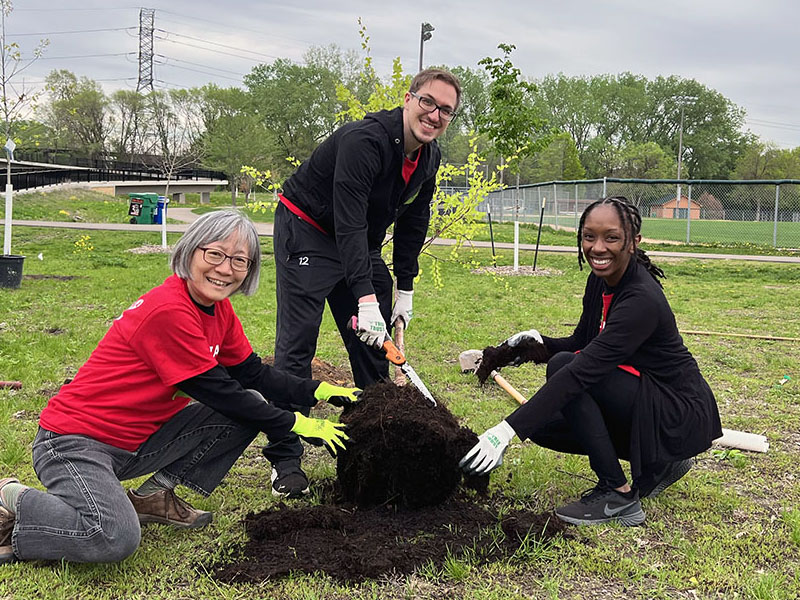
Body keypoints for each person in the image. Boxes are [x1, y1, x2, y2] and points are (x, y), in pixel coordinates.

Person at [0, 210, 358, 566]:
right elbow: (218, 391)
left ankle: (153, 495)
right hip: (74, 441)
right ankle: (12, 496)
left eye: (239, 260)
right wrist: (298, 424)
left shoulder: (218, 310)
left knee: (251, 403)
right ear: (190, 252)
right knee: (113, 537)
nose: (224, 268)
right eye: (215, 254)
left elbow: (252, 375)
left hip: (138, 440)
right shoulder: (168, 310)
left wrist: (320, 390)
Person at [460, 196, 722, 526]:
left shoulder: (641, 299)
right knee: (542, 424)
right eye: (589, 236)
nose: (598, 248)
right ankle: (662, 464)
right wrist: (535, 345)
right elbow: (582, 344)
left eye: (611, 237)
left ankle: (618, 493)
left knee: (564, 371)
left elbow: (580, 372)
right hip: (650, 402)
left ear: (633, 241)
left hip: (680, 412)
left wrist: (504, 431)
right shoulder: (600, 280)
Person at [266, 67, 462, 497]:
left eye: (445, 110)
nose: (434, 114)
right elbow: (349, 221)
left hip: (359, 242)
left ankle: (376, 443)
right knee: (298, 346)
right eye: (428, 101)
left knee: (373, 351)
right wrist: (366, 300)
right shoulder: (364, 140)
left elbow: (413, 225)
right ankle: (285, 458)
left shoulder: (428, 157)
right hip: (308, 228)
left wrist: (404, 290)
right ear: (409, 99)